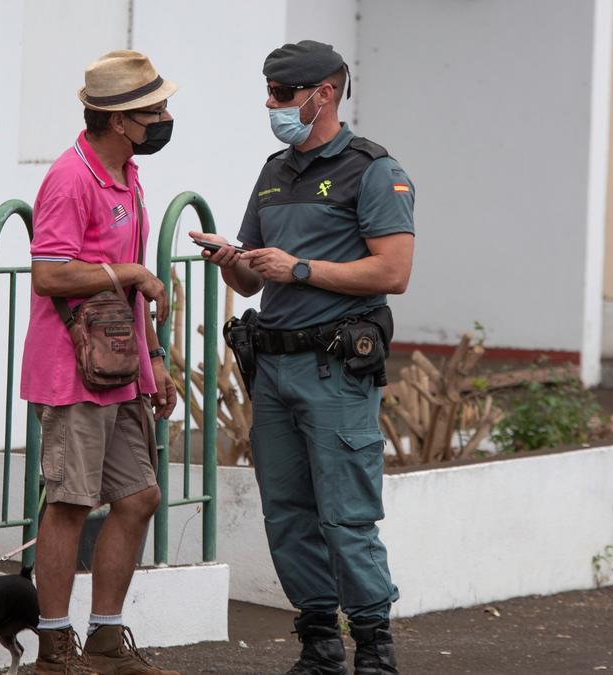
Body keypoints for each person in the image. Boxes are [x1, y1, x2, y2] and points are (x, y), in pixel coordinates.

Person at [193, 40, 415, 675]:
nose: (271, 104)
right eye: (268, 91)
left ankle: (374, 652)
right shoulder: (273, 171)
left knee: (346, 516)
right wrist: (233, 259)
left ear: (323, 95)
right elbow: (252, 283)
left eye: (283, 94)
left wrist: (301, 268)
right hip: (276, 367)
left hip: (335, 369)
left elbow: (393, 271)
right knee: (286, 512)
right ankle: (320, 648)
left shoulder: (373, 169)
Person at [20, 49, 180, 675]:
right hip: (71, 370)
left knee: (139, 497)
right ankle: (56, 647)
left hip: (119, 368)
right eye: (154, 110)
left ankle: (107, 636)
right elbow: (48, 274)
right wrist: (129, 270)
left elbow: (130, 295)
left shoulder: (128, 176)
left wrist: (156, 361)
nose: (164, 118)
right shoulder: (70, 176)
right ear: (120, 120)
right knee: (70, 503)